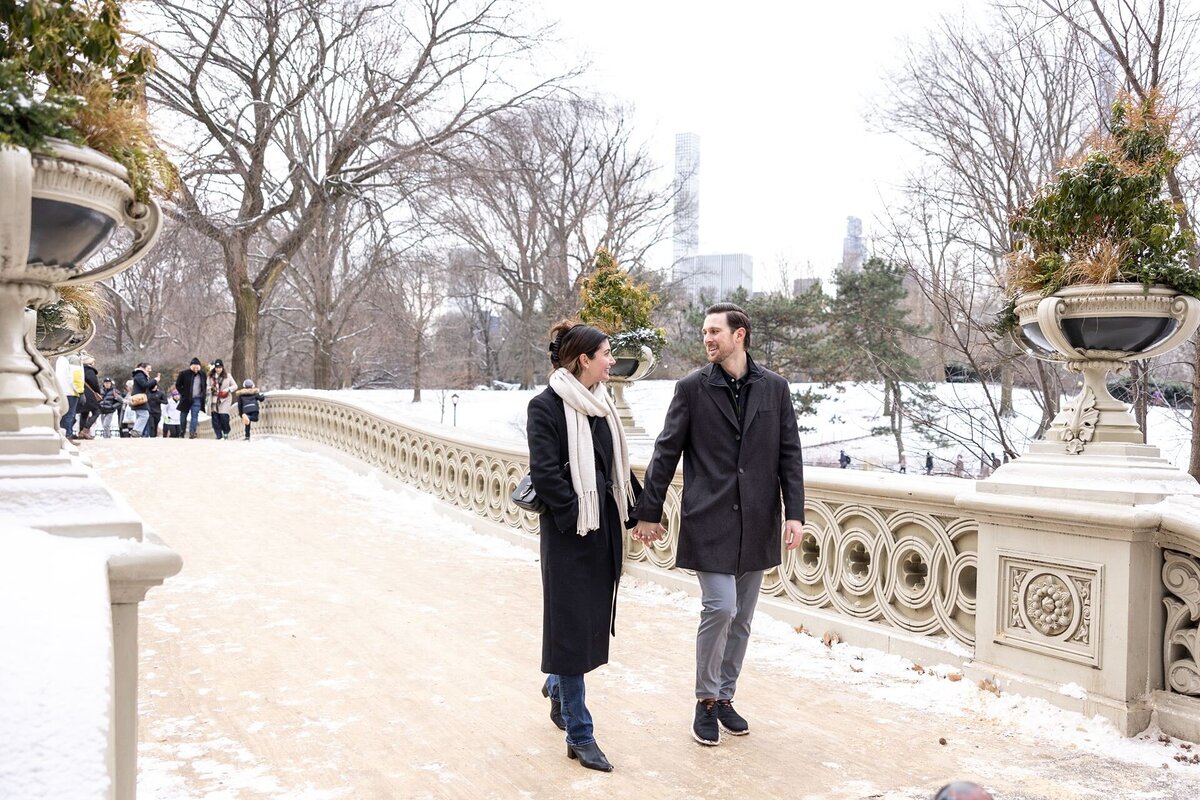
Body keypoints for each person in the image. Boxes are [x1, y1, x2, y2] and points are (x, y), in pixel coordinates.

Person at [632, 302, 805, 747]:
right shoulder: (691, 389)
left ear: (739, 334)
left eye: (714, 332)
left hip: (758, 520)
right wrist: (649, 512)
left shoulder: (776, 389)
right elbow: (665, 452)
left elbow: (790, 456)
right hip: (708, 519)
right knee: (721, 608)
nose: (707, 339)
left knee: (743, 618)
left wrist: (795, 513)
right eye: (704, 332)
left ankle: (726, 697)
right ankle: (705, 702)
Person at [526, 320, 642, 773]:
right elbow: (546, 475)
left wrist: (640, 512)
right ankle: (580, 734)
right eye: (607, 354)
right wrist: (577, 518)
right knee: (572, 633)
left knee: (585, 625)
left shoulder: (602, 407)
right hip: (570, 539)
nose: (613, 361)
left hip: (604, 537)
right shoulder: (546, 407)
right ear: (584, 361)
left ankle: (557, 685)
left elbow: (616, 470)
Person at [175, 357, 207, 439]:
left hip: (197, 398)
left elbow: (204, 385)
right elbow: (178, 385)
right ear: (191, 366)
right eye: (194, 367)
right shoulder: (184, 373)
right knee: (183, 416)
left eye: (197, 367)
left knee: (195, 415)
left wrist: (203, 394)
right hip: (186, 398)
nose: (196, 369)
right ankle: (182, 431)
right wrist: (182, 393)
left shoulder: (202, 374)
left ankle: (192, 432)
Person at [207, 359, 237, 440]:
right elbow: (206, 387)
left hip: (225, 399)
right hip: (214, 399)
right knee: (215, 418)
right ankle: (219, 435)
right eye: (217, 367)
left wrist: (228, 389)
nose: (218, 369)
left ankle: (226, 432)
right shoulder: (210, 377)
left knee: (224, 416)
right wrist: (211, 388)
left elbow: (235, 386)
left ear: (222, 367)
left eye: (220, 367)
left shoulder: (228, 376)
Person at [55, 354, 82, 439]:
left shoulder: (60, 358)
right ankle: (68, 436)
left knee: (63, 415)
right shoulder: (74, 358)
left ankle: (63, 436)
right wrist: (80, 391)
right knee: (69, 415)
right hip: (71, 392)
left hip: (61, 391)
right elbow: (76, 377)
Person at [76, 354, 102, 440]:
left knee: (84, 413)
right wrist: (98, 392)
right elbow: (94, 383)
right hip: (90, 395)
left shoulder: (80, 369)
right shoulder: (89, 371)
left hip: (82, 393)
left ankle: (81, 432)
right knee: (97, 411)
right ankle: (85, 429)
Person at [131, 362, 156, 437]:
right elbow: (144, 385)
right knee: (144, 415)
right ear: (143, 368)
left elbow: (148, 387)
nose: (150, 370)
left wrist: (155, 382)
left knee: (140, 415)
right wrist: (154, 381)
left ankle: (136, 432)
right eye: (148, 368)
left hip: (141, 398)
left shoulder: (141, 375)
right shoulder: (139, 374)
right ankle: (136, 431)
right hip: (139, 398)